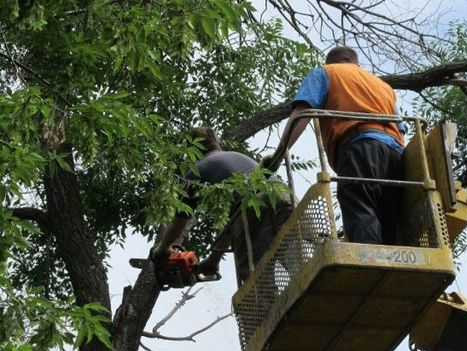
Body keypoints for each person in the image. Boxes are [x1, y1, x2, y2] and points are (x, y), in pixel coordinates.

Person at [278, 46, 406, 245]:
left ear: (332, 61)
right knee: (389, 216)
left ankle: (369, 267)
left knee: (359, 204)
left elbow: (302, 113)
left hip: (361, 147)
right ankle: (395, 268)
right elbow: (402, 127)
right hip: (395, 153)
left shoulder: (327, 72)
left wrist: (280, 153)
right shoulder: (383, 87)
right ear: (356, 63)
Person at [152, 128, 293, 287]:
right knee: (298, 261)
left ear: (193, 150)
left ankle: (270, 311)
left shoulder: (196, 170)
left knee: (257, 284)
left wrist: (162, 249)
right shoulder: (238, 157)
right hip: (285, 197)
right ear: (217, 143)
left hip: (253, 209)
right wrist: (214, 259)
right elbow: (231, 222)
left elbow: (180, 222)